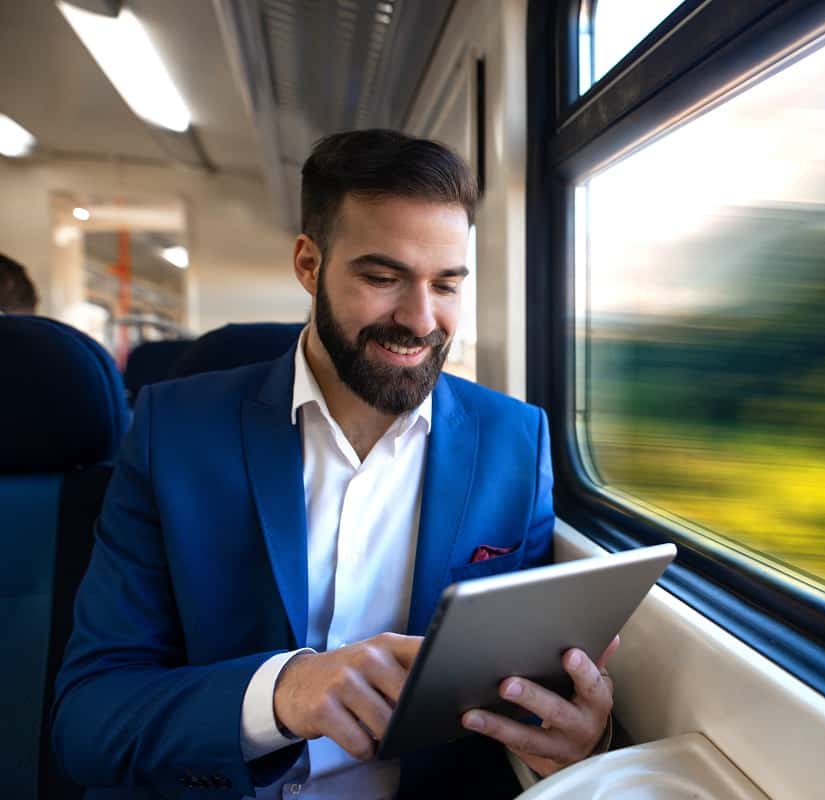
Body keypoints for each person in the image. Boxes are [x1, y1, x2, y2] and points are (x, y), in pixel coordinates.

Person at [52, 130, 614, 799]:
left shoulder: (515, 442)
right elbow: (87, 721)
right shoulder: (174, 432)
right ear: (308, 264)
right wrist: (282, 694)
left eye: (446, 284)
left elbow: (516, 690)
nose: (420, 318)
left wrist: (573, 743)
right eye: (382, 278)